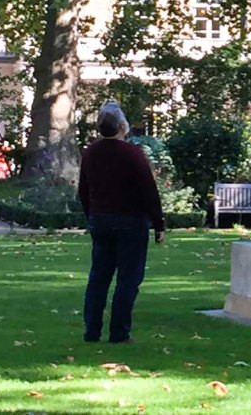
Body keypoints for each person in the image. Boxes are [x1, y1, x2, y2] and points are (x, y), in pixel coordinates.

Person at [78, 100, 165, 343]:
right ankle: (119, 331)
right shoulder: (132, 153)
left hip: (101, 219)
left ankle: (92, 330)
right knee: (128, 278)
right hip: (131, 220)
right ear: (122, 126)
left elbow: (84, 190)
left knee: (99, 277)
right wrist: (158, 224)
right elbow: (148, 190)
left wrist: (91, 215)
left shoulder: (91, 152)